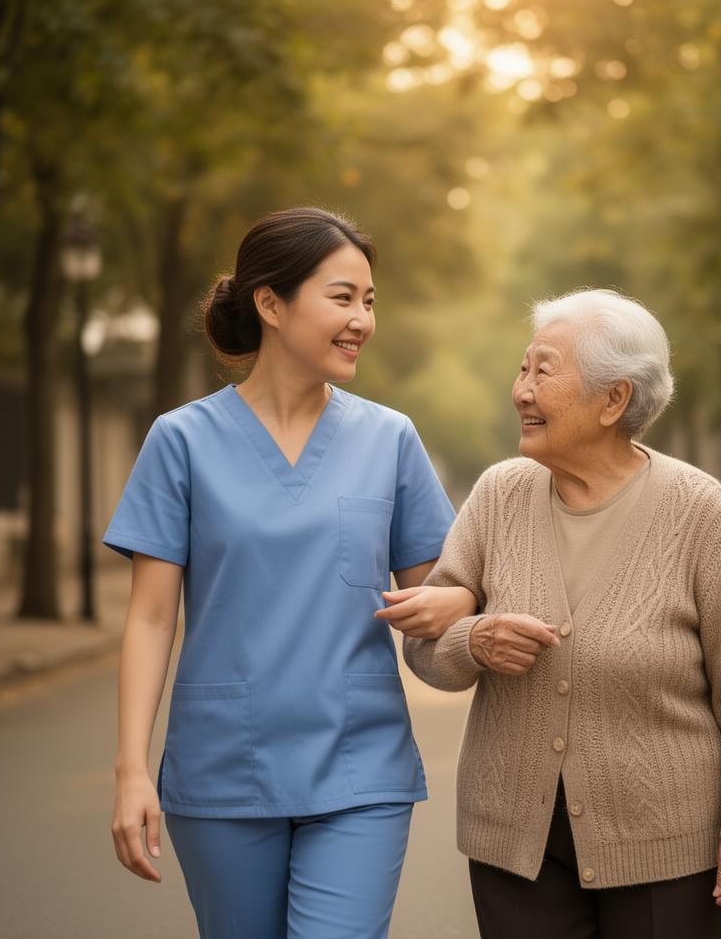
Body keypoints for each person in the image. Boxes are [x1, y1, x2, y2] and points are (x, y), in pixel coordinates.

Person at [105, 207, 475, 939]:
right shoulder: (181, 442)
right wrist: (131, 770)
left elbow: (444, 588)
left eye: (369, 302)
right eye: (342, 298)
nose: (362, 320)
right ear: (271, 304)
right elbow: (150, 617)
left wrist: (461, 599)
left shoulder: (390, 439)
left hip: (359, 766)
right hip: (222, 770)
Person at [394, 288, 721, 938]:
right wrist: (474, 640)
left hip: (666, 847)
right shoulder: (499, 496)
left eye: (544, 369)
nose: (521, 388)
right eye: (522, 368)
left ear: (614, 400)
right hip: (515, 850)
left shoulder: (696, 509)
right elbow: (427, 651)